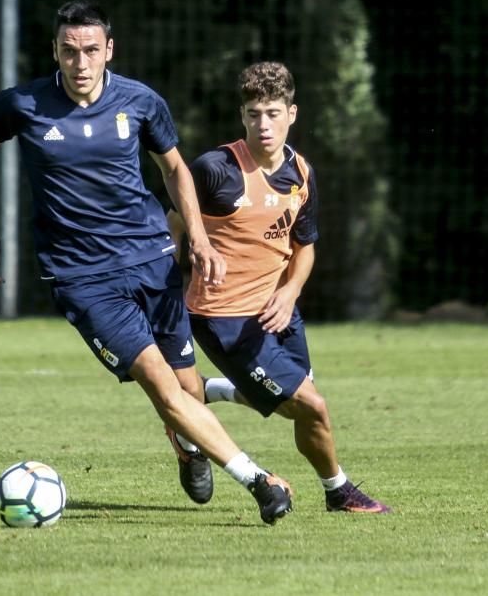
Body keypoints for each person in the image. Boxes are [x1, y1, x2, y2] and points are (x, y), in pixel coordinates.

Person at [0, 0, 293, 524]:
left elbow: (175, 170)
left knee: (184, 387)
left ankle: (189, 446)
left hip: (152, 259)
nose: (80, 63)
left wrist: (201, 240)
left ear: (108, 51)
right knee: (160, 383)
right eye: (69, 51)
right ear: (55, 50)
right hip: (81, 277)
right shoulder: (22, 104)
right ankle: (260, 481)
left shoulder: (140, 102)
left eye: (91, 50)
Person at [167, 61, 391, 513]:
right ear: (242, 116)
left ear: (293, 113)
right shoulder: (216, 170)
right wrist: (171, 284)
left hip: (278, 310)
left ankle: (203, 394)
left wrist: (288, 295)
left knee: (298, 404)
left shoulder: (301, 172)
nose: (263, 124)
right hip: (223, 317)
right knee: (311, 405)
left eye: (272, 112)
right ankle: (339, 492)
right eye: (253, 114)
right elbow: (173, 224)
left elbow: (305, 248)